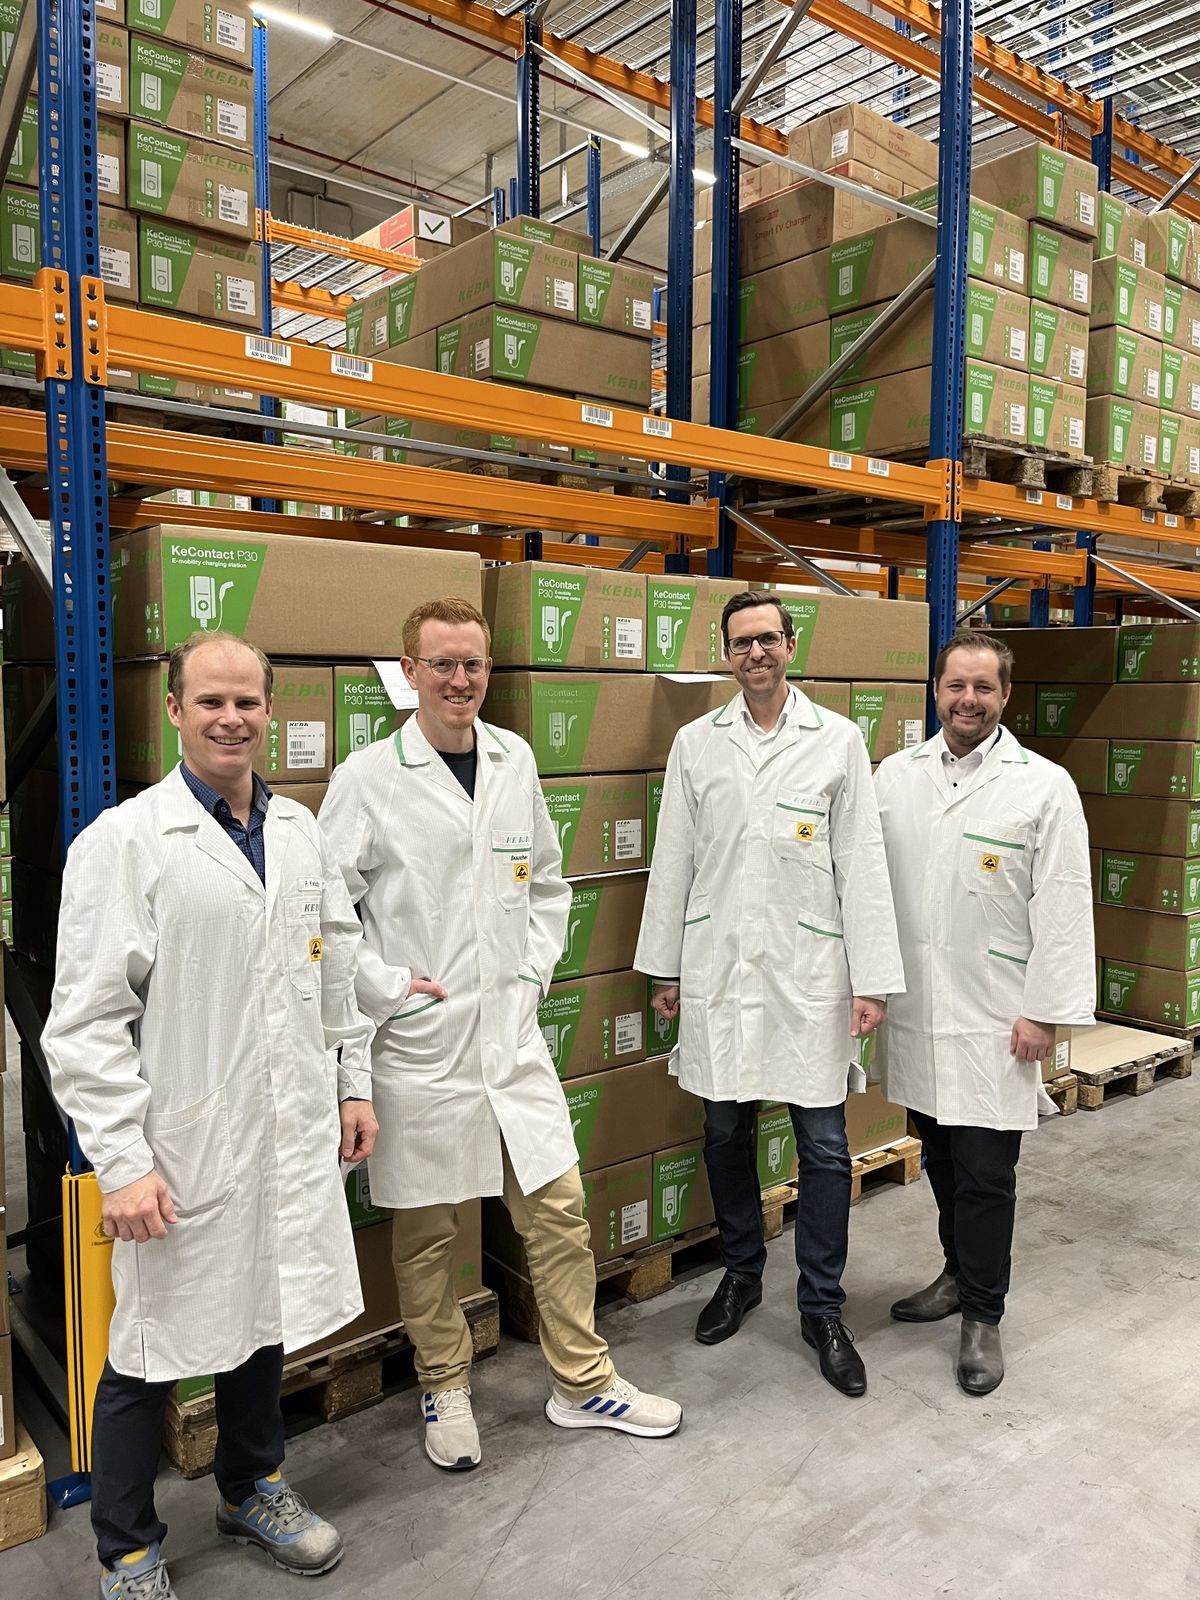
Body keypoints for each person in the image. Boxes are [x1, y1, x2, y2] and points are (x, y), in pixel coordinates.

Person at [43, 632, 378, 1599]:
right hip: (179, 1147)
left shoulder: (301, 830)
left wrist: (352, 1083)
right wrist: (121, 1161)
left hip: (285, 1127)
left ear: (270, 711)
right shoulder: (127, 843)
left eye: (248, 702)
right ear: (175, 711)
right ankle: (129, 1546)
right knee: (147, 1347)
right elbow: (86, 1025)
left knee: (261, 1311)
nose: (232, 718)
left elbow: (337, 968)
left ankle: (251, 1484)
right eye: (212, 702)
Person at [318, 596, 681, 1472]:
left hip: (510, 1038)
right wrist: (388, 989)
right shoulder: (368, 777)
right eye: (441, 663)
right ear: (408, 673)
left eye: (473, 664)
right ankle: (444, 1382)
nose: (459, 680)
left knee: (556, 1210)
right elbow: (326, 912)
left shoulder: (514, 759)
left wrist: (531, 972)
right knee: (429, 1233)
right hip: (422, 1043)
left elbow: (549, 884)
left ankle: (581, 1380)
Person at [634, 591, 905, 1397]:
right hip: (718, 966)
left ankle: (822, 1305)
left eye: (768, 638)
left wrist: (872, 981)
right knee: (724, 1131)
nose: (755, 652)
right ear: (725, 655)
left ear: (792, 644)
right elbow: (673, 860)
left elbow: (862, 864)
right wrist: (665, 969)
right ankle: (742, 1273)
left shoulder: (838, 741)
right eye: (740, 642)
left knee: (823, 1147)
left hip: (810, 977)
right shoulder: (696, 744)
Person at [874, 630, 1095, 1396]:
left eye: (984, 688)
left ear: (1007, 695)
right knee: (936, 1151)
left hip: (998, 1017)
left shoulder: (1042, 786)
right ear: (936, 691)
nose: (968, 700)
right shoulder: (894, 778)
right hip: (918, 1009)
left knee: (986, 1172)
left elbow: (1064, 909)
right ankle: (955, 1272)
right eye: (955, 686)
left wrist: (1047, 1013)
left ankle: (982, 1315)